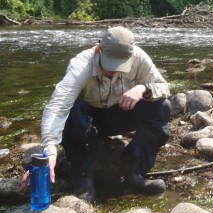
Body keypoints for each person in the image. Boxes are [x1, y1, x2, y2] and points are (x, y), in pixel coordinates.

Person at [23, 26, 171, 202]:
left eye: (120, 66)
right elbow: (57, 106)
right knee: (72, 108)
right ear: (98, 49)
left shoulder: (139, 57)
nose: (113, 71)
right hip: (88, 121)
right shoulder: (81, 65)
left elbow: (164, 87)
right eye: (109, 65)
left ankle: (135, 172)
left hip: (121, 114)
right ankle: (83, 179)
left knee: (162, 106)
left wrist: (143, 88)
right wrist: (50, 151)